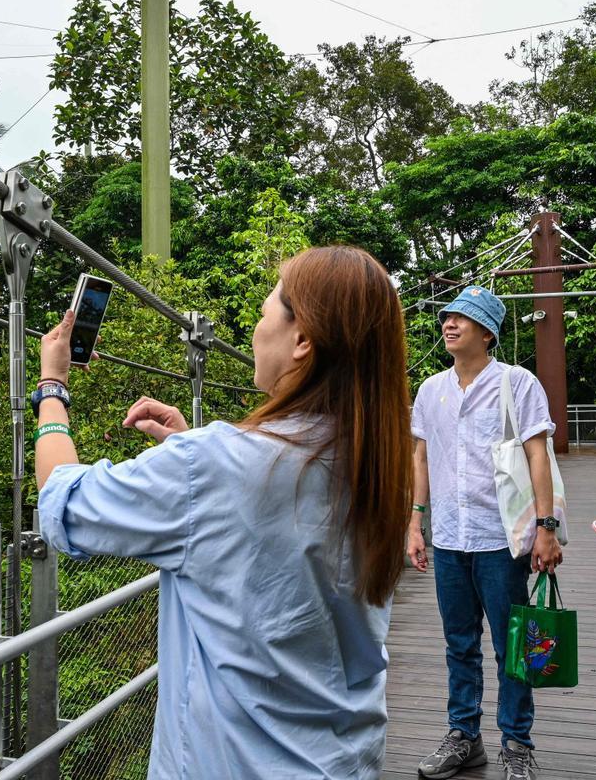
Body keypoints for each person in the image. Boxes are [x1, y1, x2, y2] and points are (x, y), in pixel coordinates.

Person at [32, 246, 414, 780]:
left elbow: (61, 499)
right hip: (343, 760)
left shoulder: (216, 466)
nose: (256, 330)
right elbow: (276, 511)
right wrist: (191, 449)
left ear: (302, 340)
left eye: (263, 314)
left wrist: (52, 389)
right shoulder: (377, 460)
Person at [406, 285, 564, 780]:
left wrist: (547, 527)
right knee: (459, 644)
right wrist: (416, 521)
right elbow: (421, 457)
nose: (449, 324)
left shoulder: (518, 383)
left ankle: (517, 744)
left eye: (463, 319)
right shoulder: (430, 390)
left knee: (512, 645)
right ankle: (464, 737)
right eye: (448, 317)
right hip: (450, 538)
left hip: (503, 538)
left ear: (487, 332)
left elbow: (538, 454)